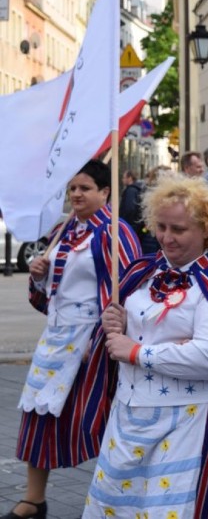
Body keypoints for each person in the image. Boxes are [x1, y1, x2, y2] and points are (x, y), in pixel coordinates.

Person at [82, 175, 208, 519]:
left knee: (169, 511)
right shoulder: (144, 270)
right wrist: (117, 324)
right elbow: (127, 333)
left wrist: (137, 352)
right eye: (160, 226)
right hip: (129, 416)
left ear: (207, 230)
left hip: (188, 419)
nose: (166, 238)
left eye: (178, 229)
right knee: (116, 508)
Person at [2, 160, 141, 519]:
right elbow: (47, 300)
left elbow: (127, 291)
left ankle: (116, 498)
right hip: (55, 342)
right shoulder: (64, 231)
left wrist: (101, 341)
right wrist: (37, 277)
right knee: (38, 417)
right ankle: (34, 500)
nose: (77, 195)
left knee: (96, 420)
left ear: (105, 192)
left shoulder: (115, 231)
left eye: (85, 188)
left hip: (91, 344)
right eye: (72, 189)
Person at [118, 169, 144, 239]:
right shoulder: (135, 189)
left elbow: (129, 209)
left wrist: (122, 224)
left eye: (124, 177)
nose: (122, 180)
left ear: (129, 178)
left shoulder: (131, 191)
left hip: (129, 227)